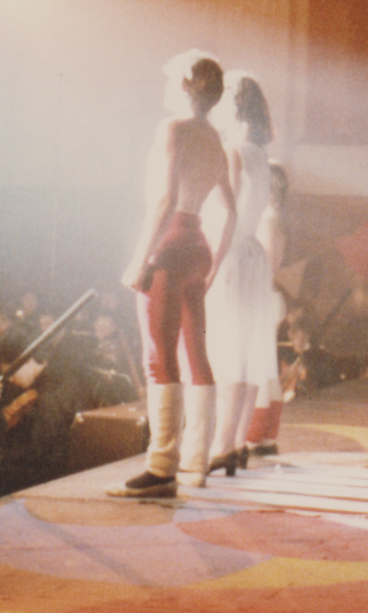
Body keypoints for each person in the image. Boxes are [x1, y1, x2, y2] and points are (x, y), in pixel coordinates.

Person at [108, 49, 235, 499]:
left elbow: (162, 199)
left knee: (159, 356)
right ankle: (195, 464)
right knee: (196, 354)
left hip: (171, 241)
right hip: (197, 242)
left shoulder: (172, 129)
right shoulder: (216, 139)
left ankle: (162, 466)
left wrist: (140, 259)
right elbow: (231, 211)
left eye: (169, 80)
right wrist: (213, 264)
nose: (163, 87)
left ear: (184, 85)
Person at [188, 72, 276, 481]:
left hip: (235, 253)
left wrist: (210, 263)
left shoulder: (234, 151)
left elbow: (226, 213)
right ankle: (237, 442)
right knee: (248, 352)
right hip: (254, 256)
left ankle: (223, 444)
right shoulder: (261, 154)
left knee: (227, 353)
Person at [0, 323, 97, 497]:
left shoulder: (50, 395)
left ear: (27, 359)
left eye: (10, 373)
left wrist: (4, 458)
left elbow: (41, 455)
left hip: (56, 483)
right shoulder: (61, 375)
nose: (10, 380)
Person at [245, 160, 288, 455]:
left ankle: (253, 436)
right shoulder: (272, 219)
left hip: (263, 300)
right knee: (267, 370)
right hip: (267, 299)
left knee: (258, 370)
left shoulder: (268, 221)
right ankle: (267, 437)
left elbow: (267, 266)